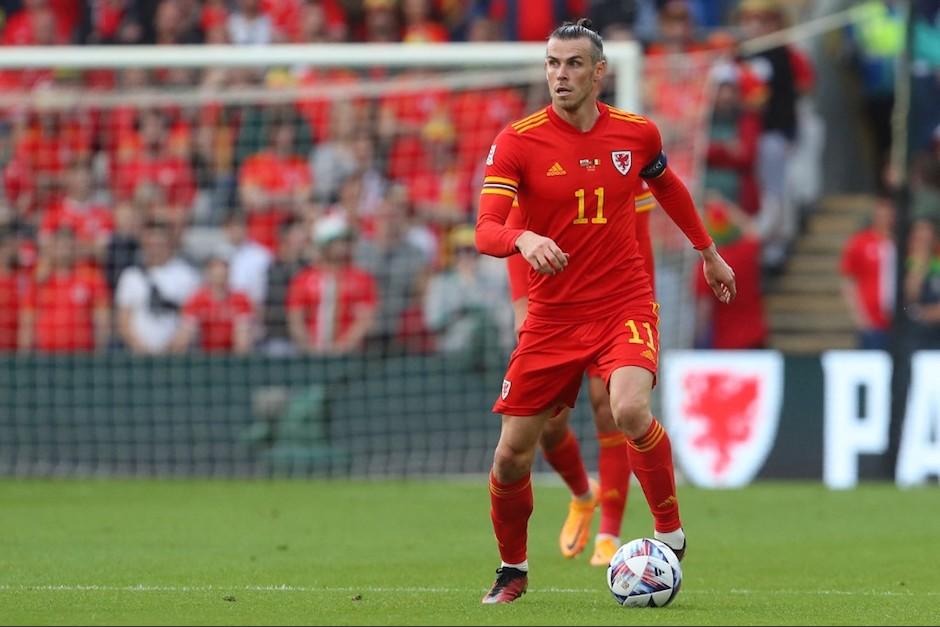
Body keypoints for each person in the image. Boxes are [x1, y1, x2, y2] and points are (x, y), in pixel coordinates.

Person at [474, 19, 736, 604]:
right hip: (552, 317)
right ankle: (513, 570)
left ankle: (669, 531)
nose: (560, 75)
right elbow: (486, 229)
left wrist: (708, 253)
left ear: (599, 72)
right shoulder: (517, 141)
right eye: (552, 63)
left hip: (623, 303)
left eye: (572, 64)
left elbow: (669, 188)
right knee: (511, 455)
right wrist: (521, 239)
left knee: (629, 409)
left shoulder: (637, 134)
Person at [504, 185, 658, 569]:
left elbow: (641, 239)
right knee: (549, 427)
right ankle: (583, 494)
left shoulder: (625, 162)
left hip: (614, 309)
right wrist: (522, 308)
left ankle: (609, 535)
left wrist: (645, 311)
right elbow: (514, 231)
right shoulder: (538, 161)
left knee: (612, 409)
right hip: (555, 314)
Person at [839, 193, 895, 351]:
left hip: (899, 322)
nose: (885, 219)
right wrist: (860, 318)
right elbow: (848, 281)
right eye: (881, 215)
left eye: (888, 215)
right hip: (871, 322)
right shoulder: (860, 242)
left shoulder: (901, 243)